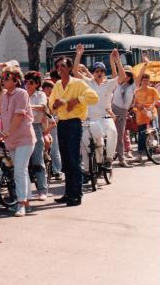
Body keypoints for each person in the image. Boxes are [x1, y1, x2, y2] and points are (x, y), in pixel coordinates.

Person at [48, 56, 99, 207]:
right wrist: (55, 105)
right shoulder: (57, 84)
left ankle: (77, 194)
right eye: (58, 66)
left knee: (74, 159)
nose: (60, 69)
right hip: (62, 123)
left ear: (70, 68)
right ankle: (68, 193)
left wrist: (75, 101)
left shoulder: (78, 83)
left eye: (63, 66)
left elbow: (93, 97)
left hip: (74, 123)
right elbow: (51, 103)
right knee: (66, 161)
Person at [72, 45, 123, 173]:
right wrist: (78, 54)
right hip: (90, 119)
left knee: (113, 132)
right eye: (96, 71)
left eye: (101, 71)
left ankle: (109, 159)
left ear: (104, 73)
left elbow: (121, 77)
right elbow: (74, 72)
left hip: (105, 118)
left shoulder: (109, 83)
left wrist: (117, 61)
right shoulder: (88, 82)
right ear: (93, 73)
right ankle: (88, 171)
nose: (99, 73)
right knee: (86, 144)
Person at [0, 66, 37, 217]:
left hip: (24, 139)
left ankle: (21, 204)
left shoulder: (22, 93)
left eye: (7, 78)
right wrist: (1, 134)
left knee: (19, 171)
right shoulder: (5, 96)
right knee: (22, 170)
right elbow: (3, 117)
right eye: (3, 78)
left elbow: (19, 115)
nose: (3, 80)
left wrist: (7, 132)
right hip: (11, 140)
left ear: (16, 80)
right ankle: (26, 201)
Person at [24, 71, 49, 201]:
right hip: (22, 128)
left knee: (38, 160)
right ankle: (24, 191)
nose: (28, 85)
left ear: (37, 84)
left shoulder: (41, 94)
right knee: (23, 162)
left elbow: (43, 106)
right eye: (26, 82)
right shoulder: (22, 94)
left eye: (31, 82)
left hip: (36, 127)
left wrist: (28, 106)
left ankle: (42, 190)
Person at [132, 57, 160, 163]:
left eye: (146, 80)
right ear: (141, 82)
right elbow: (134, 104)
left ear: (149, 81)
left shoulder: (153, 90)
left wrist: (153, 104)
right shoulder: (137, 91)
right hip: (141, 116)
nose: (145, 82)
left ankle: (155, 150)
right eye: (143, 80)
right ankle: (139, 154)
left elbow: (157, 99)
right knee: (142, 136)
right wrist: (137, 106)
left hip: (152, 113)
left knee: (155, 131)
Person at [111, 61, 137, 167]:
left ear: (131, 76)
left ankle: (121, 159)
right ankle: (109, 157)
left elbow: (139, 77)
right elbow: (114, 72)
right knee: (110, 134)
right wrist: (114, 60)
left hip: (122, 112)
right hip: (112, 110)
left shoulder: (132, 87)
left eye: (128, 75)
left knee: (120, 136)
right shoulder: (117, 84)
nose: (126, 76)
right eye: (124, 74)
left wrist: (145, 65)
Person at [41, 80, 62, 179]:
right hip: (41, 126)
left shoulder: (54, 100)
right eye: (49, 89)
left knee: (54, 149)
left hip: (52, 126)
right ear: (44, 89)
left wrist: (50, 127)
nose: (51, 92)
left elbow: (57, 116)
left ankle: (57, 171)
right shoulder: (40, 99)